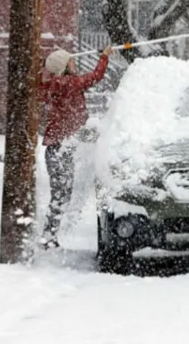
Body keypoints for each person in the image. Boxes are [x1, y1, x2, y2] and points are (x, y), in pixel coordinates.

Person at [39, 45, 116, 248]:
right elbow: (95, 77)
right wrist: (104, 57)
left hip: (56, 149)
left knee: (61, 193)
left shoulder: (49, 83)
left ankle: (49, 235)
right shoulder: (69, 83)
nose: (74, 63)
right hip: (62, 149)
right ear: (63, 67)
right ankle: (48, 237)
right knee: (63, 193)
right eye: (70, 61)